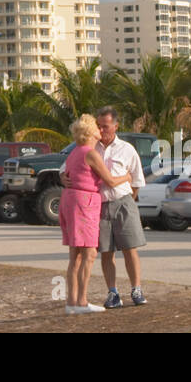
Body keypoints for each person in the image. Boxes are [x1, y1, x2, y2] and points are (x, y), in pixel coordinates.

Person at [59, 114, 131, 314]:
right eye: (97, 128)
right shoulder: (90, 153)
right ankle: (81, 302)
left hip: (70, 200)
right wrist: (127, 175)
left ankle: (71, 302)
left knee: (75, 256)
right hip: (84, 203)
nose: (101, 130)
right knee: (89, 253)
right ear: (91, 132)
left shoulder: (74, 152)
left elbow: (65, 173)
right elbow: (110, 180)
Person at [92, 107, 148, 307]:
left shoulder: (127, 149)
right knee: (106, 251)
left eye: (105, 126)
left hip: (123, 202)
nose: (101, 130)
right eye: (98, 125)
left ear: (115, 126)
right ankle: (113, 293)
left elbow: (136, 179)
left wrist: (127, 200)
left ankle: (136, 289)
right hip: (100, 205)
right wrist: (64, 177)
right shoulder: (90, 147)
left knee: (129, 248)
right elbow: (67, 169)